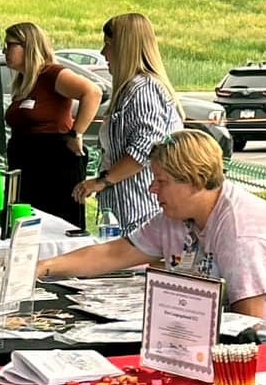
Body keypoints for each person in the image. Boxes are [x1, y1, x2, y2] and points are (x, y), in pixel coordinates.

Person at [43, 129, 266, 353]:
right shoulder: (178, 215)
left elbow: (245, 328)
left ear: (194, 180)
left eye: (161, 181)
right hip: (212, 342)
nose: (152, 189)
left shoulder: (242, 231)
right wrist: (43, 267)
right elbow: (112, 254)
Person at [72, 12, 183, 234]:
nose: (103, 53)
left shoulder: (143, 89)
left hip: (141, 215)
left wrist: (101, 182)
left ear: (125, 48)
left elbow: (146, 148)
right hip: (126, 215)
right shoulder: (131, 90)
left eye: (108, 45)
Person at [3, 22, 102, 228]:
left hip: (53, 166)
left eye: (10, 45)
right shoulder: (24, 81)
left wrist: (77, 133)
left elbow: (92, 92)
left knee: (57, 226)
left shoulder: (51, 74)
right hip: (27, 166)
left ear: (28, 46)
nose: (5, 51)